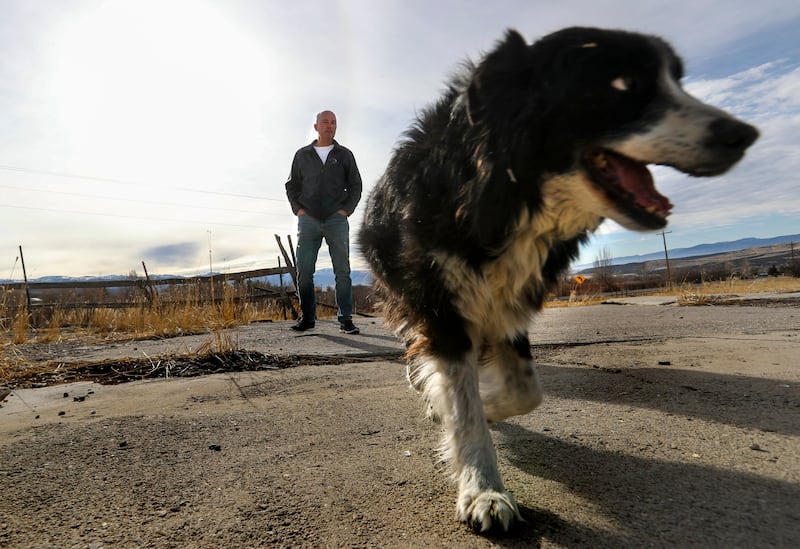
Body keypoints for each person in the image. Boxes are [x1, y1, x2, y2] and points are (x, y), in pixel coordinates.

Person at [285, 110, 362, 334]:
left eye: (333, 123)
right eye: (325, 122)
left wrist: (344, 211)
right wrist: (298, 210)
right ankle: (308, 318)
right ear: (316, 126)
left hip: (335, 220)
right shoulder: (302, 155)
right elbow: (291, 186)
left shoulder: (345, 155)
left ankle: (345, 319)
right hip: (308, 220)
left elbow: (356, 186)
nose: (330, 126)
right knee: (305, 270)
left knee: (342, 271)